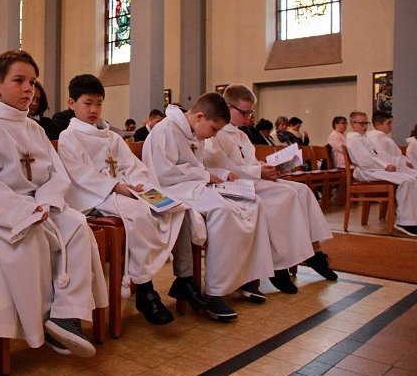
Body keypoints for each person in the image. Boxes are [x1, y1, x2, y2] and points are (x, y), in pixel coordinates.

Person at [0, 50, 108, 357]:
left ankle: (66, 315)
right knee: (31, 238)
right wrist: (24, 210)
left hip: (40, 207)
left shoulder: (34, 128)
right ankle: (40, 323)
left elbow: (57, 175)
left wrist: (45, 202)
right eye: (19, 81)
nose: (29, 88)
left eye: (33, 81)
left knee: (77, 224)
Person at [57, 74, 207, 325]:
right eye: (87, 103)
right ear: (71, 103)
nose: (94, 110)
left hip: (129, 190)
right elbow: (80, 176)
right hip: (96, 197)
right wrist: (116, 186)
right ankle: (145, 289)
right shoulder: (69, 137)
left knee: (178, 208)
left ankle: (184, 279)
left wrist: (142, 186)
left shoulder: (113, 137)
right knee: (137, 214)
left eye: (99, 103)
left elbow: (134, 166)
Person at [143, 93, 275, 321]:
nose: (213, 135)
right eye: (214, 129)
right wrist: (205, 176)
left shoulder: (195, 133)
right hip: (170, 190)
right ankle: (215, 291)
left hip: (193, 186)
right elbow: (162, 173)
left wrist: (222, 174)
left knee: (253, 201)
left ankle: (245, 279)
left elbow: (198, 167)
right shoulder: (165, 130)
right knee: (222, 211)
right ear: (200, 116)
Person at [204, 84, 337, 294]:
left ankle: (314, 250)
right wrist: (259, 171)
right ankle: (279, 265)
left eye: (251, 112)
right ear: (228, 108)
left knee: (302, 191)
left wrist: (268, 167)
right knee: (285, 194)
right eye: (245, 112)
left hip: (251, 179)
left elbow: (249, 161)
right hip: (233, 184)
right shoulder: (215, 132)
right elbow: (223, 167)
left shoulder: (241, 135)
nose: (249, 117)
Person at [346, 111, 417, 236]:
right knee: (407, 180)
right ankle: (403, 222)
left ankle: (410, 218)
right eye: (361, 123)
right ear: (352, 124)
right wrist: (385, 166)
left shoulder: (362, 139)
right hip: (365, 171)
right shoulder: (353, 140)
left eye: (366, 123)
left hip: (372, 169)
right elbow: (365, 161)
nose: (365, 126)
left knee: (411, 177)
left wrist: (385, 165)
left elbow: (374, 157)